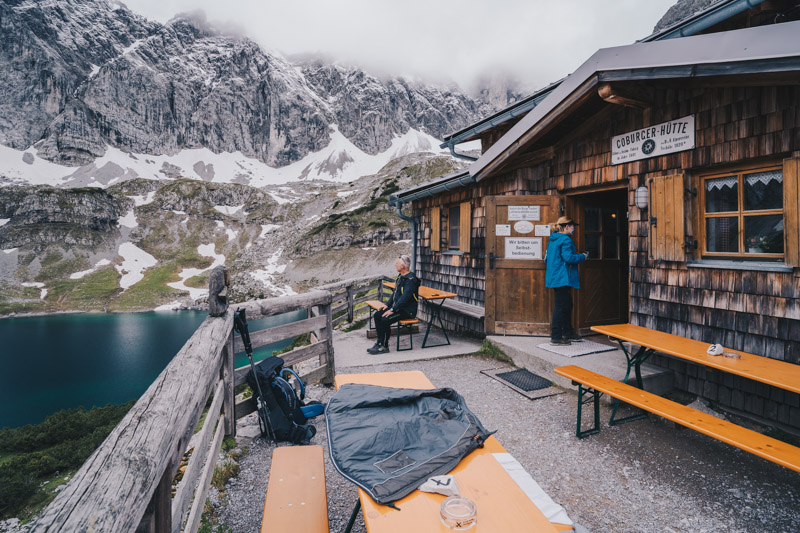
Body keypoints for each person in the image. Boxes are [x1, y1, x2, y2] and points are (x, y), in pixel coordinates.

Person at [545, 216, 588, 346]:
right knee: (562, 306)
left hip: (555, 276)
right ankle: (556, 336)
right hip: (562, 277)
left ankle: (568, 333)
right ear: (567, 226)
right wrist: (583, 256)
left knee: (567, 305)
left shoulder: (553, 240)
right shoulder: (565, 240)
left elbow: (547, 259)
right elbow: (568, 258)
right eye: (573, 226)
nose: (574, 228)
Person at [368, 254, 420, 354]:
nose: (395, 265)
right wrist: (387, 305)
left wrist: (392, 310)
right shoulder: (401, 277)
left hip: (407, 311)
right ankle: (379, 342)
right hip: (399, 308)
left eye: (397, 263)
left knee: (384, 319)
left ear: (403, 266)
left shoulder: (411, 280)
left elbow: (404, 298)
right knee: (377, 315)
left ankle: (384, 346)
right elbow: (395, 294)